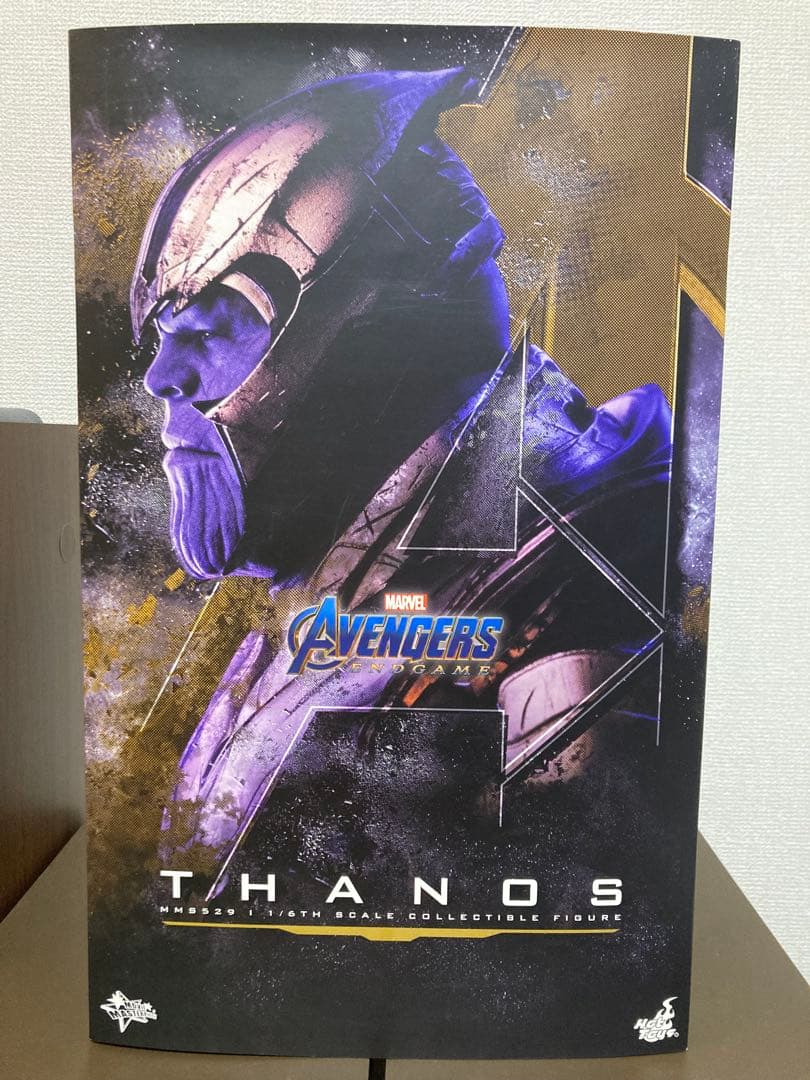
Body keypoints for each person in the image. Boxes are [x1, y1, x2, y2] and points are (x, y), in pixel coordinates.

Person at [133, 68, 672, 895]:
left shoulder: (577, 569)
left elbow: (568, 917)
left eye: (214, 329)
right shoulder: (325, 607)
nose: (162, 379)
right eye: (166, 338)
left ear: (379, 321)